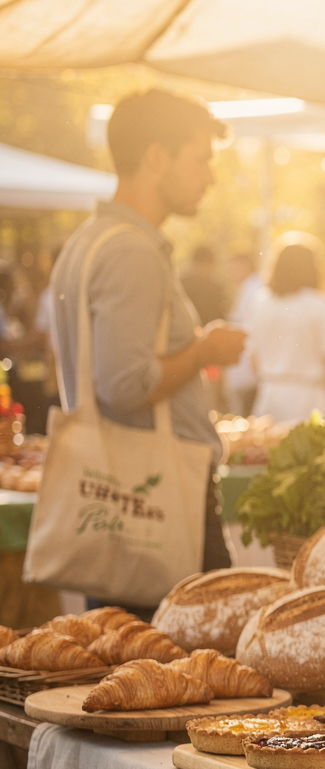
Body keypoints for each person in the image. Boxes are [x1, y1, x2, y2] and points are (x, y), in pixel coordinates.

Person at [47, 88, 244, 585]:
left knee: (131, 657)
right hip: (158, 504)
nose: (210, 176)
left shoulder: (86, 244)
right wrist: (205, 350)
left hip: (116, 495)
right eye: (200, 159)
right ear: (156, 157)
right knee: (192, 661)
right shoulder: (132, 252)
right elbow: (126, 384)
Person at [242, 233, 325, 424]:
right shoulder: (319, 303)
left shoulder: (261, 302)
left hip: (269, 398)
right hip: (310, 400)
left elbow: (253, 362)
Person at [180, 244, 229, 323]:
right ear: (207, 263)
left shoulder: (180, 284)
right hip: (210, 333)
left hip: (185, 332)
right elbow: (220, 318)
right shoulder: (215, 288)